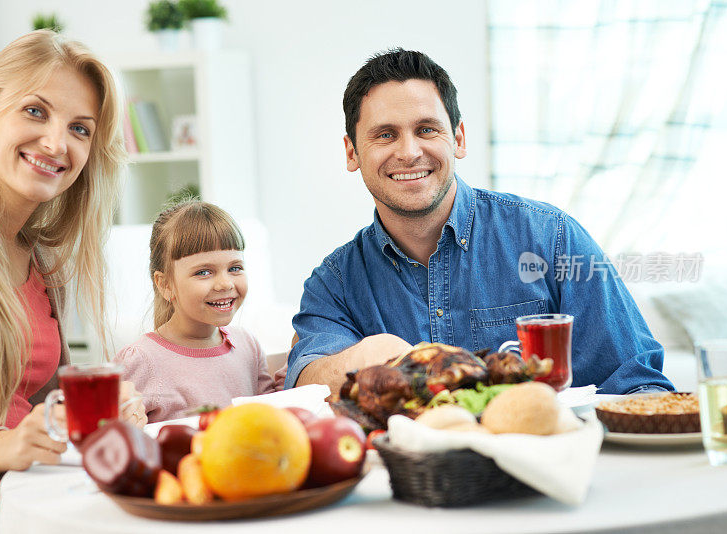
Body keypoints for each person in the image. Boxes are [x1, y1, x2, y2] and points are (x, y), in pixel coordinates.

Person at [285, 48, 674, 396]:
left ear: (458, 138)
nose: (409, 152)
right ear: (352, 152)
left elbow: (640, 384)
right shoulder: (333, 284)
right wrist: (375, 356)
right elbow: (305, 386)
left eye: (426, 129)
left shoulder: (551, 237)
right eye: (385, 135)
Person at [0, 31, 147, 532]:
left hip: (42, 509)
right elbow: (6, 437)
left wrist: (96, 405)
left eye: (80, 128)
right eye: (35, 111)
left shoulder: (41, 258)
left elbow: (35, 408)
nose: (57, 143)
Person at [115, 201, 275, 423]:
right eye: (204, 272)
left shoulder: (248, 346)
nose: (225, 283)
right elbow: (112, 433)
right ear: (165, 284)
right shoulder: (140, 360)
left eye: (235, 268)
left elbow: (271, 420)